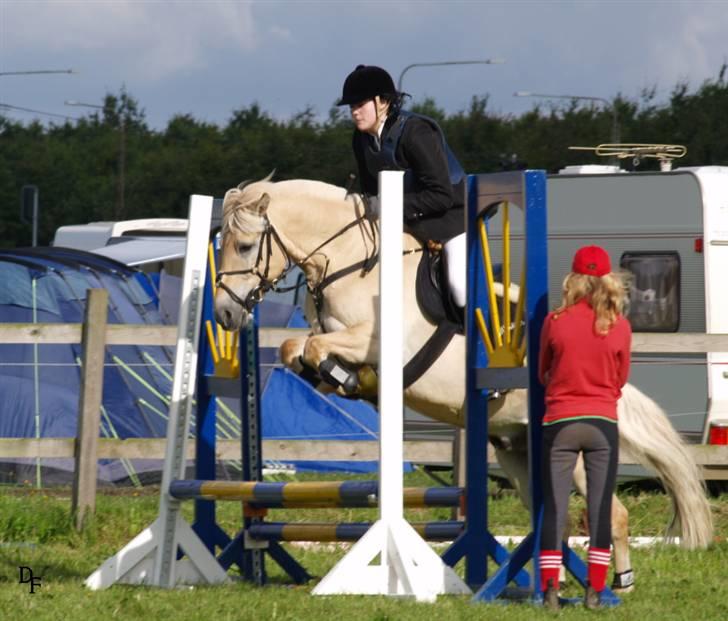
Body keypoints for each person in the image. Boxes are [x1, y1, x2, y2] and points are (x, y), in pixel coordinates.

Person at [538, 245, 632, 610]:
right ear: (608, 280)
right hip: (602, 423)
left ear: (574, 278)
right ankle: (594, 591)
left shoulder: (555, 321)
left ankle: (549, 590)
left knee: (556, 508)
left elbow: (541, 371)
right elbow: (621, 378)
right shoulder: (619, 326)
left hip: (560, 422)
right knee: (598, 509)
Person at [337, 64, 467, 307]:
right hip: (406, 222)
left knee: (459, 288)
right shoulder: (361, 139)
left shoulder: (416, 132)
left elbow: (441, 196)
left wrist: (389, 206)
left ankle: (471, 339)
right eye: (351, 106)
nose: (354, 112)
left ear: (383, 102)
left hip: (451, 220)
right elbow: (370, 191)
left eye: (360, 104)